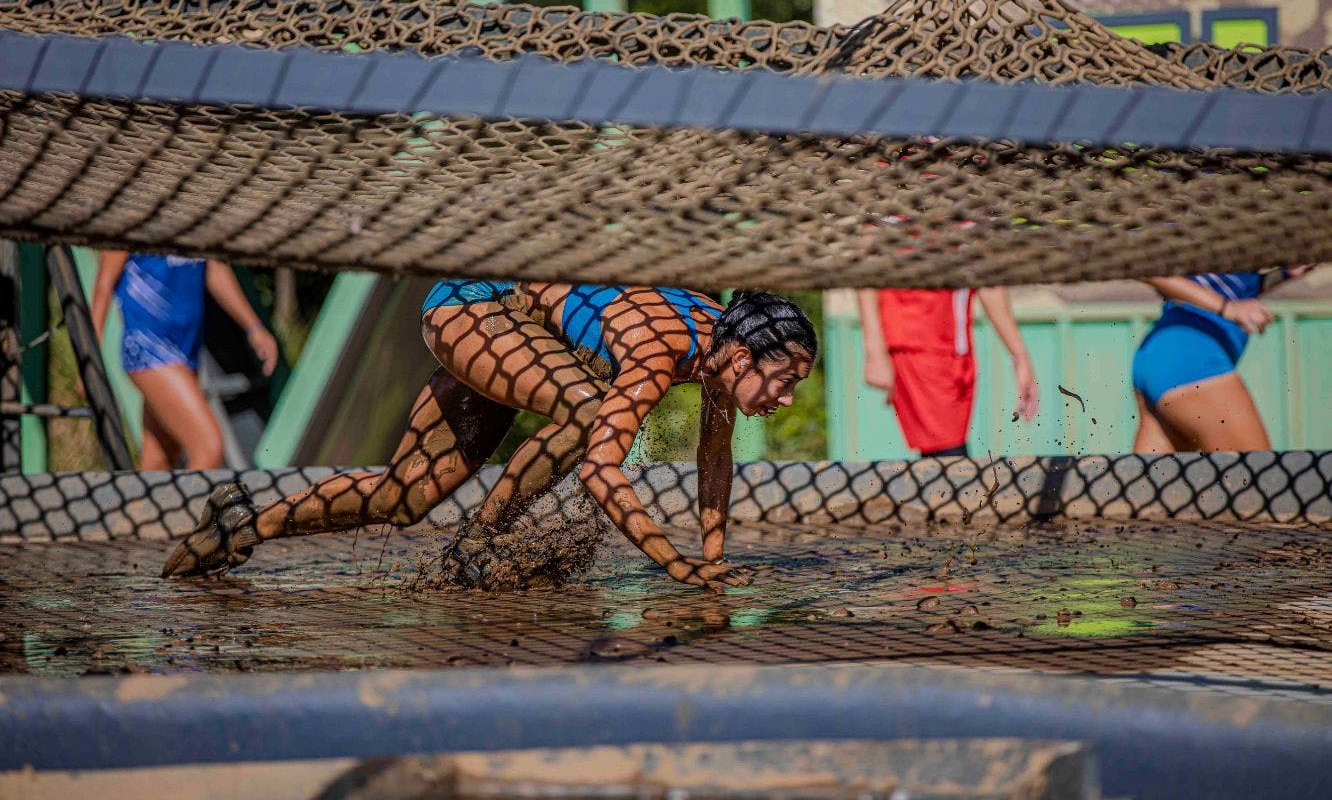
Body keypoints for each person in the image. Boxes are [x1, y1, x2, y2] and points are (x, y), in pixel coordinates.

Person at [162, 282, 817, 591]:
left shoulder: (721, 344)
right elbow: (600, 469)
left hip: (527, 340)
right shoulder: (660, 349)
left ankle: (243, 524)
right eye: (785, 381)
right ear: (743, 357)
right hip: (476, 310)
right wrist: (676, 565)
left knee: (402, 498)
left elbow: (713, 456)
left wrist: (714, 556)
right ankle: (477, 542)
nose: (786, 398)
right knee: (589, 410)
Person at [91, 252, 278, 470]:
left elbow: (215, 269)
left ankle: (142, 494)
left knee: (160, 459)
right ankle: (194, 495)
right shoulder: (130, 230)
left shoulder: (197, 231)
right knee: (209, 447)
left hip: (186, 350)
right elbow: (103, 285)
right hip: (149, 347)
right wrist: (89, 364)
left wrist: (254, 327)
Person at [1132, 268, 1314, 452]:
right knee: (1257, 468)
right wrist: (1226, 307)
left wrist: (1285, 274)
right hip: (1190, 358)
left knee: (1153, 472)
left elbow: (1235, 290)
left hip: (1162, 356)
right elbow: (1144, 268)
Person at [856, 287, 1038, 457]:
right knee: (949, 455)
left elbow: (988, 282)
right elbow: (869, 271)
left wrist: (1020, 357)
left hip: (956, 349)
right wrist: (874, 350)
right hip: (919, 345)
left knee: (947, 456)